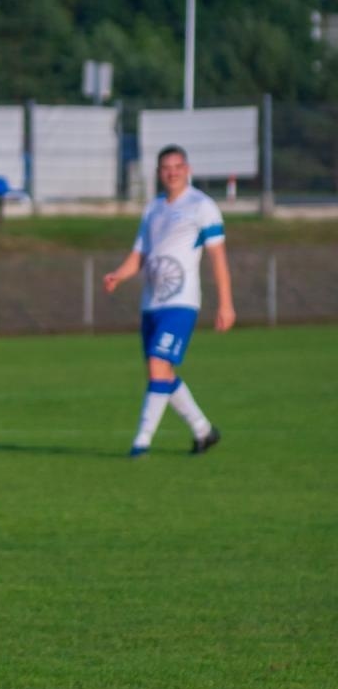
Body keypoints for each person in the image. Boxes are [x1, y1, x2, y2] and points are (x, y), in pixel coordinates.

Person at [103, 144, 233, 457]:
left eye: (177, 167)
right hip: (152, 304)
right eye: (166, 168)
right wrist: (119, 275)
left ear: (187, 169)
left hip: (181, 303)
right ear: (159, 173)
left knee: (157, 365)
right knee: (160, 373)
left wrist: (226, 303)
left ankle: (141, 442)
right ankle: (203, 431)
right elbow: (140, 255)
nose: (172, 173)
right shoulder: (154, 208)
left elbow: (218, 258)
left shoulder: (202, 206)